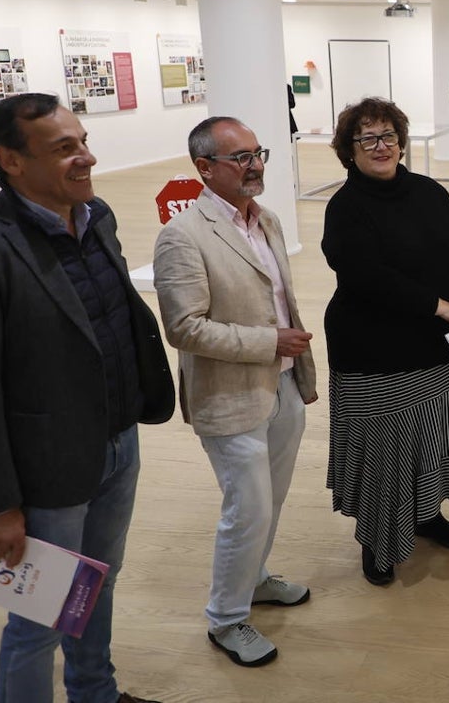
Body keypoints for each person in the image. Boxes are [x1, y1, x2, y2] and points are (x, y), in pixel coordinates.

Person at [0, 93, 174, 703]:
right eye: (65, 148)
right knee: (37, 619)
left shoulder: (97, 215)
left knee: (95, 585)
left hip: (115, 443)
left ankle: (96, 693)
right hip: (45, 470)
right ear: (10, 160)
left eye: (83, 140)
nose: (86, 157)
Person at [153, 116, 317, 669]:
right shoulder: (182, 236)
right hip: (229, 395)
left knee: (270, 499)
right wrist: (270, 342)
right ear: (205, 169)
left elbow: (279, 299)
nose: (256, 165)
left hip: (283, 384)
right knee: (247, 508)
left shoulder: (265, 218)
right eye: (240, 158)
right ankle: (226, 618)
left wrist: (291, 360)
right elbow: (184, 328)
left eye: (257, 153)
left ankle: (255, 578)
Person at [322, 97, 449, 586]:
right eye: (366, 138)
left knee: (433, 438)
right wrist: (441, 307)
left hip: (434, 348)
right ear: (349, 150)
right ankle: (376, 538)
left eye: (388, 136)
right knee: (383, 452)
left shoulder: (428, 192)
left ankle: (426, 514)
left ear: (401, 141)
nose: (380, 146)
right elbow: (368, 276)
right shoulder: (345, 207)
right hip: (373, 352)